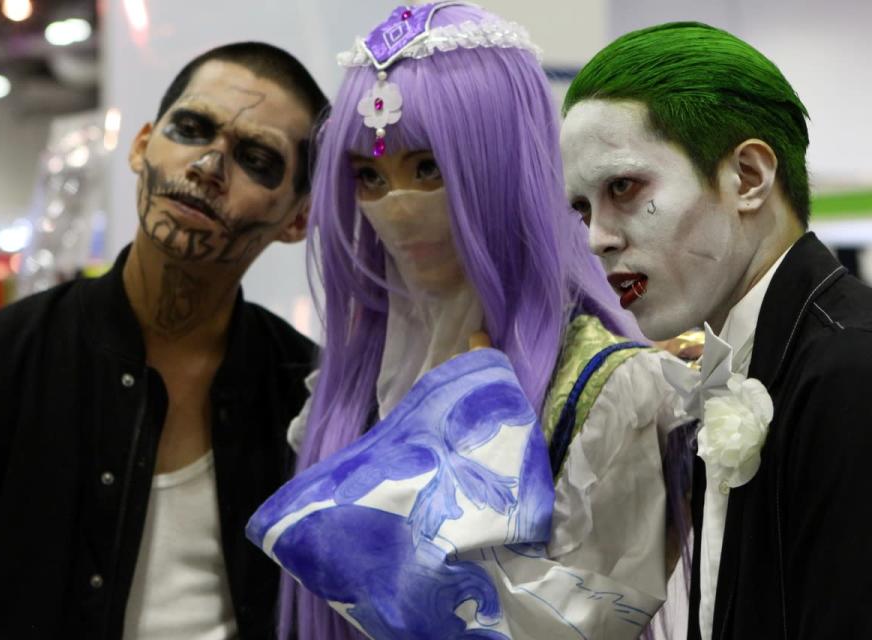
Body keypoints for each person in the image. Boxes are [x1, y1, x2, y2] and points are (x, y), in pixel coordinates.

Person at [245, 4, 686, 639]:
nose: (395, 210)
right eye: (368, 176)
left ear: (501, 164)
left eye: (427, 169)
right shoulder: (349, 383)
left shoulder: (610, 391)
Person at [0, 42, 326, 639]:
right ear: (141, 145)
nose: (209, 166)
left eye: (256, 157)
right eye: (191, 128)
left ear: (298, 219)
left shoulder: (310, 394)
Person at [560, 22, 872, 639]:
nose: (597, 238)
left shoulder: (849, 369)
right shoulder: (745, 362)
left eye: (624, 188)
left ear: (749, 176)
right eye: (583, 208)